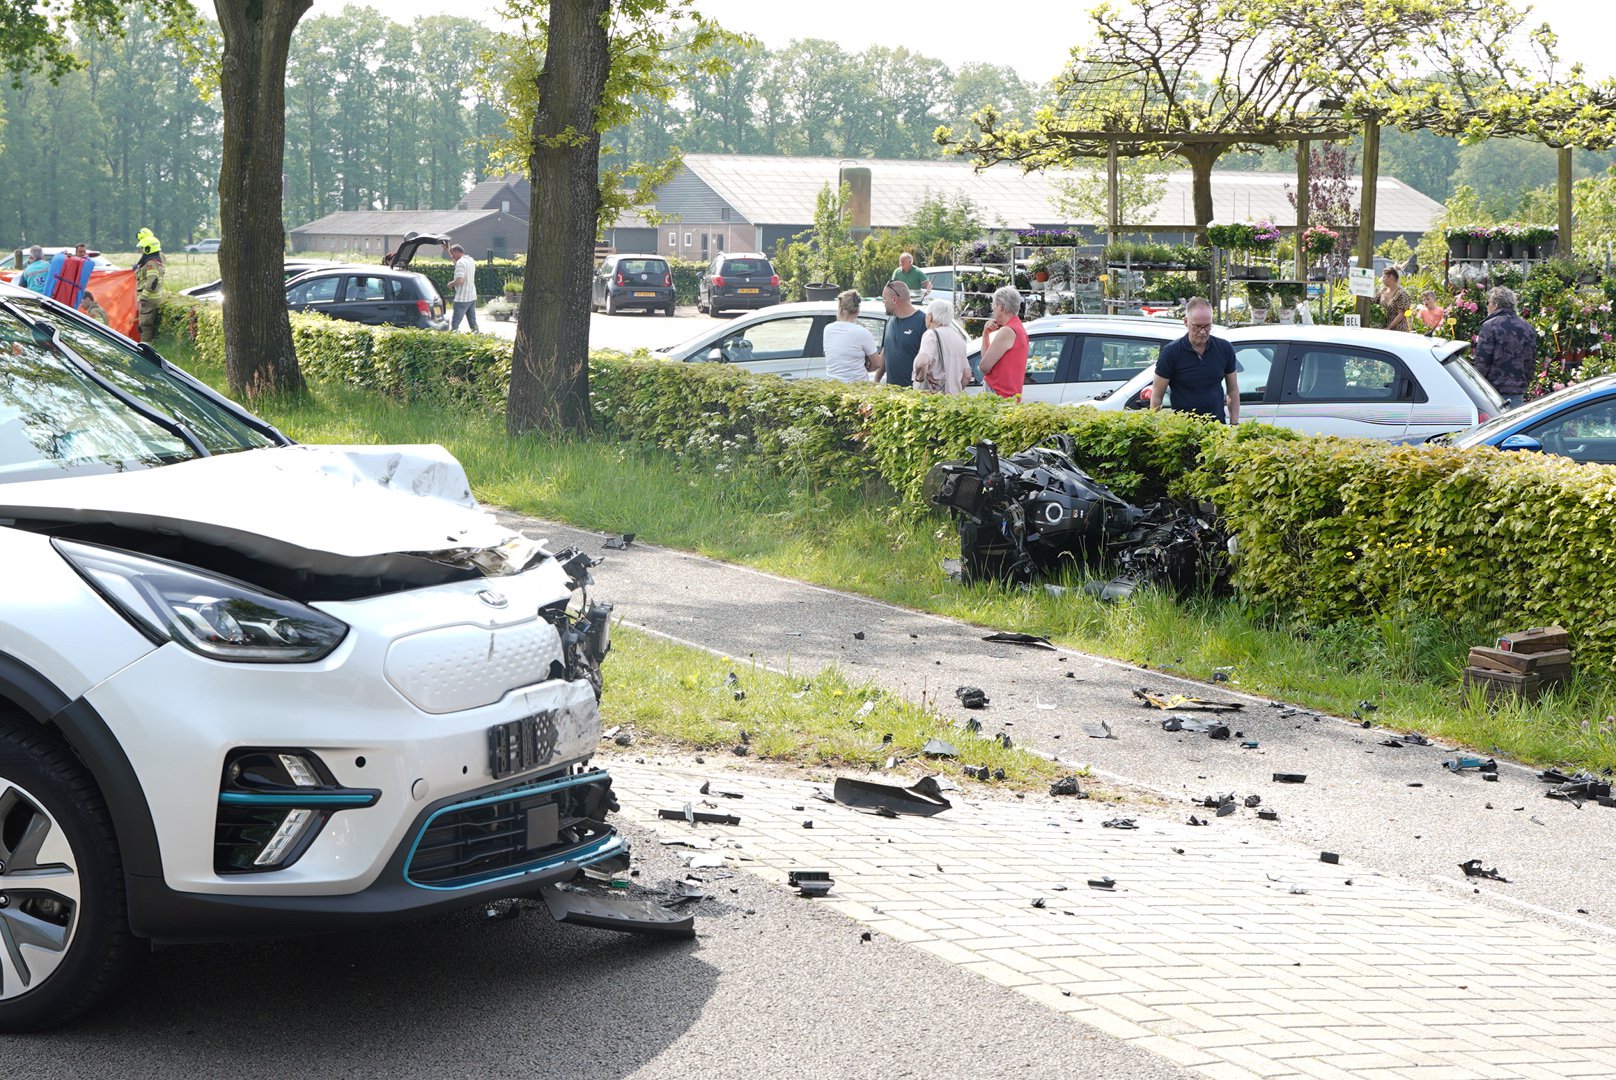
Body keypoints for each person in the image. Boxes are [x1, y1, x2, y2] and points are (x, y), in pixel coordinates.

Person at [1150, 297, 1238, 424]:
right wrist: (1156, 428)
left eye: (1207, 326)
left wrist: (1234, 424)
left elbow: (1233, 390)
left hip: (1217, 429)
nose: (1202, 332)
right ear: (1186, 322)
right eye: (1197, 326)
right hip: (1183, 431)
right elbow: (1157, 396)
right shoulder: (1171, 352)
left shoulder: (1224, 348)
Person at [1472, 285, 1537, 408]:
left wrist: (1477, 385)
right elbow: (1531, 362)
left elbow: (1482, 362)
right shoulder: (1527, 328)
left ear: (1495, 304)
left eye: (1488, 303)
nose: (1487, 306)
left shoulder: (1489, 326)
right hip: (1518, 390)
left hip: (1494, 390)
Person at [978, 284, 1029, 399]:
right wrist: (985, 334)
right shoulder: (1018, 328)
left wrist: (985, 334)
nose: (993, 310)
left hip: (999, 394)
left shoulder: (1007, 331)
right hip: (1010, 394)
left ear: (1000, 307)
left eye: (994, 306)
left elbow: (984, 366)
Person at [913, 298, 969, 394]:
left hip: (933, 399)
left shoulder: (931, 334)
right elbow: (967, 375)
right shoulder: (958, 338)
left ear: (930, 317)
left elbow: (922, 362)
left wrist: (920, 378)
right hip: (953, 402)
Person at [823, 289, 882, 382]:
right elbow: (877, 363)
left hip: (832, 387)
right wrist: (868, 368)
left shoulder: (827, 329)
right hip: (856, 389)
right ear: (857, 311)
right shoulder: (863, 333)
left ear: (840, 308)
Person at [878, 280, 927, 387]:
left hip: (912, 396)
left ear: (894, 299)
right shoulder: (890, 320)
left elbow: (928, 361)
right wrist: (876, 380)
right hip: (891, 394)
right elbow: (885, 351)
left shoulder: (922, 322)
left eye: (884, 299)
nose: (883, 302)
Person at [134, 229, 165, 340]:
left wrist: (143, 297)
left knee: (145, 326)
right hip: (151, 298)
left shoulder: (151, 263)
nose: (140, 250)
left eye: (142, 248)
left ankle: (146, 347)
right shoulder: (154, 260)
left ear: (148, 249)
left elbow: (152, 281)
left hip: (149, 299)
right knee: (145, 325)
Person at [448, 243, 478, 332]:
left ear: (457, 252)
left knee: (455, 323)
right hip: (472, 296)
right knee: (473, 321)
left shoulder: (460, 263)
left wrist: (450, 284)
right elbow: (457, 264)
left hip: (462, 298)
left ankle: (453, 339)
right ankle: (477, 336)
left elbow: (459, 281)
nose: (452, 256)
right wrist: (448, 249)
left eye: (452, 253)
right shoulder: (470, 260)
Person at [1378, 265, 1411, 331]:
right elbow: (1373, 302)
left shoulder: (1402, 293)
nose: (1382, 279)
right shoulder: (1383, 290)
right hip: (1384, 328)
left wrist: (1389, 327)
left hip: (1398, 330)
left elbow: (1401, 314)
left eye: (1384, 277)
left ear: (1391, 278)